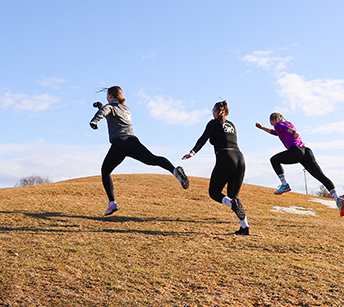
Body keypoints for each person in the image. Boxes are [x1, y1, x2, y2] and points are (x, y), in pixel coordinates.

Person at [91, 86, 189, 216]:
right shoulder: (126, 109)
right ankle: (175, 171)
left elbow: (106, 111)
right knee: (152, 159)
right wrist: (102, 106)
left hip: (119, 143)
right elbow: (112, 112)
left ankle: (112, 203)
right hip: (132, 141)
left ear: (109, 96)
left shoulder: (110, 107)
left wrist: (94, 121)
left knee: (105, 171)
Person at [255, 113, 344, 217]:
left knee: (274, 160)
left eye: (271, 123)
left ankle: (284, 184)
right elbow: (276, 132)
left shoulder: (279, 124)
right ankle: (337, 199)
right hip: (307, 151)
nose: (272, 126)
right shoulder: (289, 123)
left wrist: (293, 132)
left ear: (274, 120)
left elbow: (282, 128)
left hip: (296, 151)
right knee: (320, 175)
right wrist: (262, 128)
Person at [182, 100, 250, 235]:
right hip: (240, 158)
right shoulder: (231, 125)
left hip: (226, 157)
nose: (212, 113)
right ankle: (245, 227)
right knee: (233, 196)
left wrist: (193, 152)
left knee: (214, 192)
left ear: (217, 112)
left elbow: (204, 138)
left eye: (213, 111)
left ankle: (234, 206)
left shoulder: (213, 123)